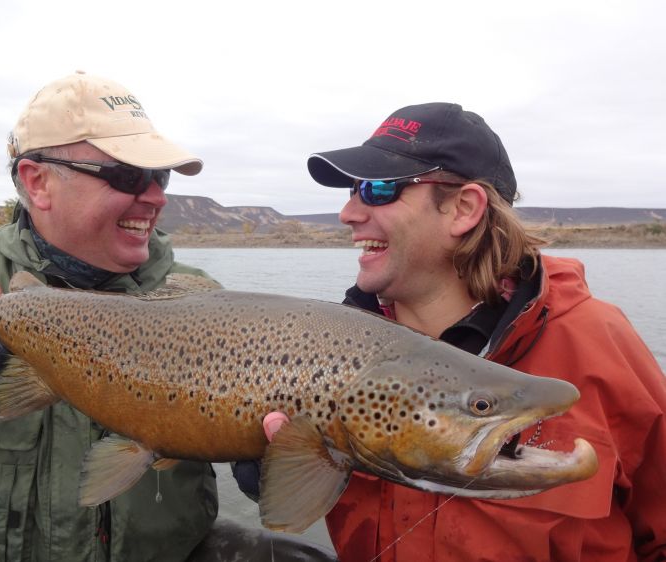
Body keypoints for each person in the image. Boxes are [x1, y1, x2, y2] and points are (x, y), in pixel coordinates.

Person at [239, 103, 666, 561]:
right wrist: (258, 457)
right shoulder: (325, 348)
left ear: (464, 208)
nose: (347, 212)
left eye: (377, 189)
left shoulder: (599, 342)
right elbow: (284, 501)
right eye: (351, 190)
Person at [0, 71, 219, 562]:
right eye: (128, 175)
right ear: (38, 182)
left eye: (159, 177)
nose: (158, 196)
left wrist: (269, 461)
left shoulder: (206, 306)